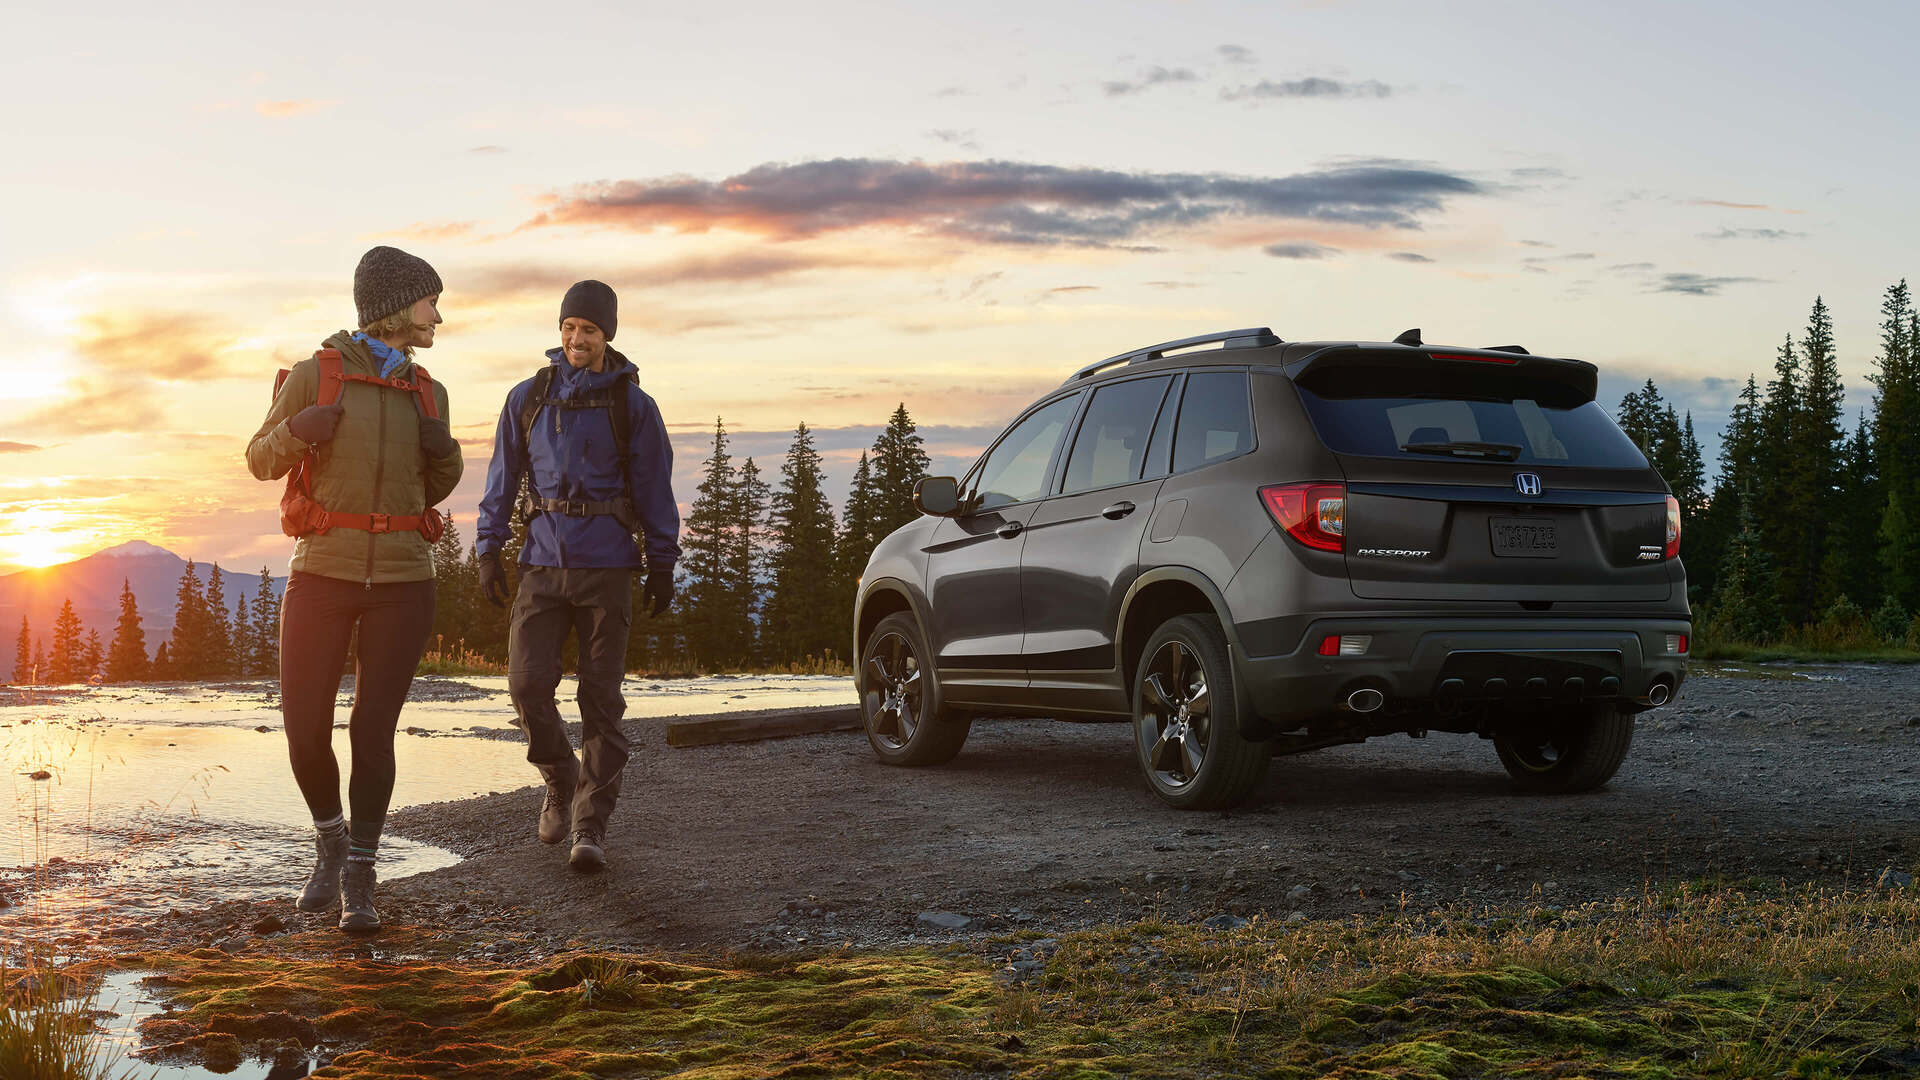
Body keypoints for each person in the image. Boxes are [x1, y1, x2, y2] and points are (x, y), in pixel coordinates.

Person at [246, 246, 463, 932]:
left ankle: (361, 875)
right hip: (321, 574)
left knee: (373, 732)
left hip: (404, 580)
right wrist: (296, 428)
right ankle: (330, 840)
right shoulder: (317, 374)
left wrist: (443, 451)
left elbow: (434, 487)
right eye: (430, 300)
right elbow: (259, 459)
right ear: (395, 306)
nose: (438, 314)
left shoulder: (430, 390)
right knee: (305, 731)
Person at [475, 280, 679, 872]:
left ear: (607, 334)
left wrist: (662, 562)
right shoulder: (528, 397)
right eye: (568, 327)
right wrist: (488, 550)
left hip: (608, 566)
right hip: (540, 563)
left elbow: (655, 490)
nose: (576, 338)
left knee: (600, 700)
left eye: (588, 329)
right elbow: (501, 479)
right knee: (526, 684)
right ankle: (560, 776)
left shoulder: (632, 405)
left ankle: (590, 827)